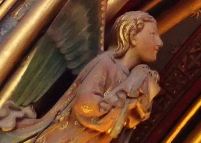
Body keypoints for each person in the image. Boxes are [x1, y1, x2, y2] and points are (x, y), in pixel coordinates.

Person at [0, 12, 162, 143]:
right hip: (63, 137)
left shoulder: (133, 79)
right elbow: (84, 104)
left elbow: (121, 128)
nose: (159, 42)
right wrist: (117, 106)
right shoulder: (107, 63)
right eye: (152, 34)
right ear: (133, 36)